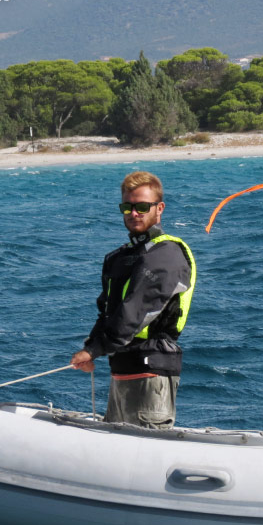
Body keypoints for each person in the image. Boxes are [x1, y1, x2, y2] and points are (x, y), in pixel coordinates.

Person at [70, 171, 196, 429]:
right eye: (127, 207)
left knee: (144, 450)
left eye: (141, 206)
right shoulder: (118, 258)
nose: (134, 213)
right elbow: (108, 312)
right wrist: (92, 345)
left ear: (159, 208)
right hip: (122, 371)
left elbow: (135, 312)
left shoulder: (167, 254)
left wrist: (94, 350)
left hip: (152, 373)